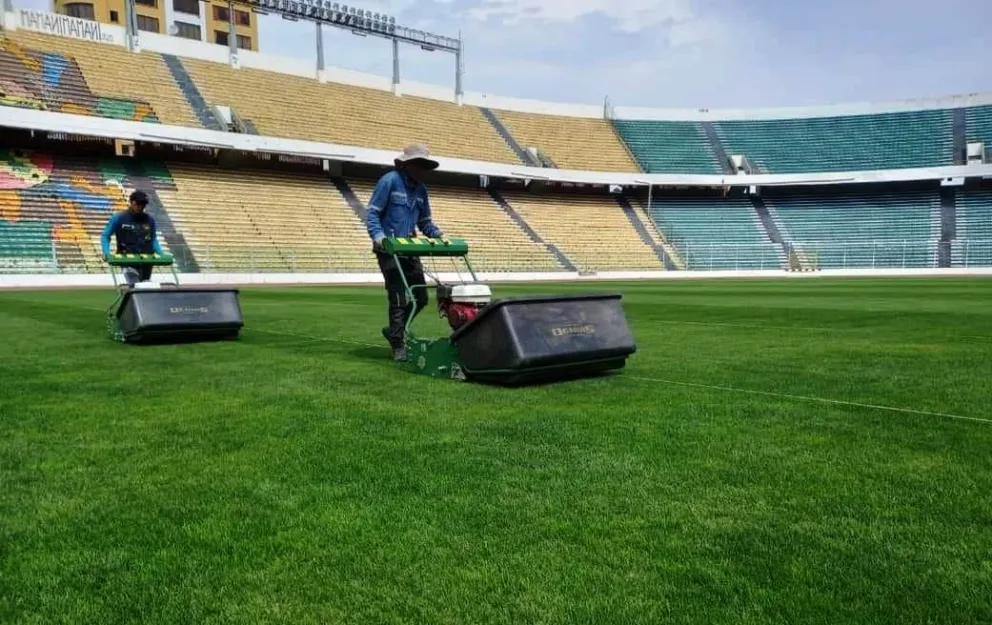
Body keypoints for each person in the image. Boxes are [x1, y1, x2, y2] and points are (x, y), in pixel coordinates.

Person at [366, 144, 445, 361]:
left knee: (420, 297)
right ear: (407, 164)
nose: (422, 170)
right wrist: (379, 237)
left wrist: (438, 235)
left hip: (410, 248)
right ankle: (398, 344)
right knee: (399, 297)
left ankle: (394, 332)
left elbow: (425, 221)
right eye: (419, 164)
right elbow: (372, 213)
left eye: (425, 166)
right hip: (389, 250)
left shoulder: (421, 191)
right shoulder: (389, 181)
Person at [101, 190, 164, 287]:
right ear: (131, 202)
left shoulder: (149, 220)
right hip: (127, 260)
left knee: (146, 287)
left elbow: (153, 239)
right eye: (138, 203)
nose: (141, 206)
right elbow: (105, 236)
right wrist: (106, 252)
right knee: (136, 286)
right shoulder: (119, 218)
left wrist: (161, 254)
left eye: (143, 204)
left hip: (147, 260)